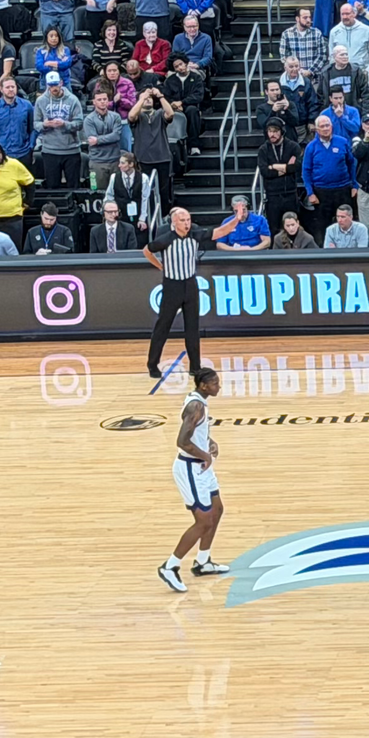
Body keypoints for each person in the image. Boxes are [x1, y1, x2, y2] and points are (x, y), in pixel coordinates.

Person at [160, 367, 226, 593]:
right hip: (190, 468)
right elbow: (182, 441)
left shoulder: (200, 402)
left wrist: (209, 441)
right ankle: (170, 566)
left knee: (217, 510)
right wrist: (205, 454)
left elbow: (196, 434)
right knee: (203, 521)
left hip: (202, 467)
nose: (219, 386)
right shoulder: (195, 406)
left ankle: (203, 561)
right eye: (215, 383)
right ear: (203, 386)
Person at [144, 207, 214, 382]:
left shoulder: (195, 236)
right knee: (163, 326)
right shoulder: (166, 239)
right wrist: (160, 266)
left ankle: (195, 366)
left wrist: (236, 219)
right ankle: (152, 364)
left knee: (192, 327)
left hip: (190, 284)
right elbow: (147, 250)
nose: (187, 223)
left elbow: (219, 232)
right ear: (174, 222)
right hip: (172, 285)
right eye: (183, 220)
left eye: (188, 220)